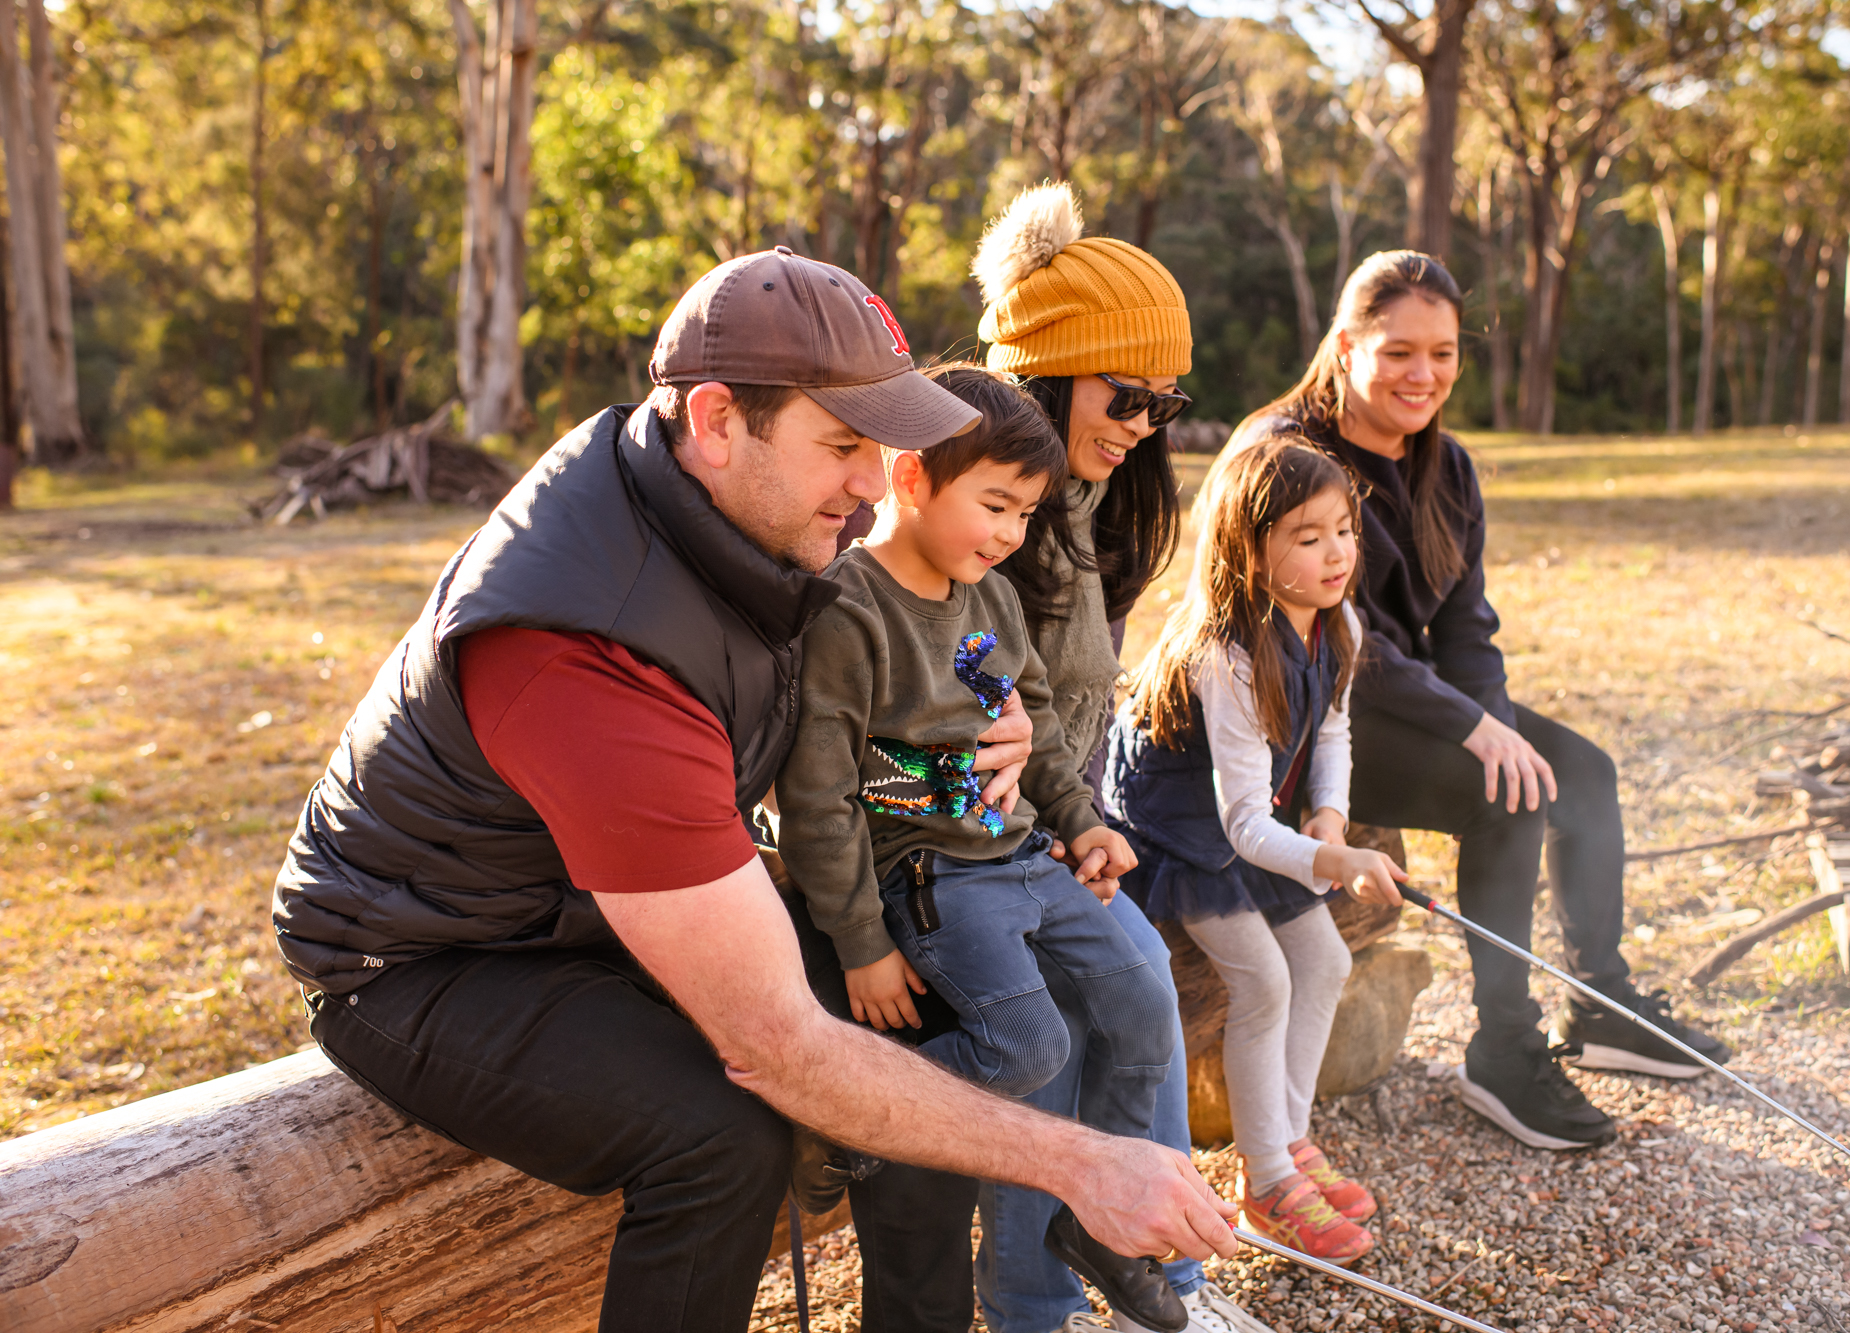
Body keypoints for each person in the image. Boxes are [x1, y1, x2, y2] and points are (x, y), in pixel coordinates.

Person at [270, 247, 1237, 1333]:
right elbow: (773, 1041)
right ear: (719, 419)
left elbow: (839, 741)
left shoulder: (736, 503)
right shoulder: (583, 652)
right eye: (843, 444)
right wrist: (1083, 1163)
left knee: (919, 1038)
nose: (871, 484)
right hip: (436, 948)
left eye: (879, 448)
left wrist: (983, 737)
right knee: (721, 1138)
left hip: (599, 889)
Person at [1224, 250, 1729, 1153]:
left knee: (1579, 772)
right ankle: (1503, 1048)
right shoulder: (1285, 453)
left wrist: (1494, 721)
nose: (1423, 374)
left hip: (1401, 702)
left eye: (1443, 353)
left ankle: (1602, 1003)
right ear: (1346, 345)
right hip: (1299, 718)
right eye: (1398, 352)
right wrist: (1472, 729)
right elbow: (1349, 639)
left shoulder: (1447, 466)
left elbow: (1465, 629)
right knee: (1504, 796)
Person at [778, 364, 1186, 1331]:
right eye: (995, 504)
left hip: (1028, 857)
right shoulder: (849, 611)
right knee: (1030, 1045)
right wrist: (862, 942)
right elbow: (822, 798)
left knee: (1144, 1001)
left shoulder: (991, 600)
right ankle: (856, 1127)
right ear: (911, 478)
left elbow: (1030, 726)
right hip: (935, 879)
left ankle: (1100, 1222)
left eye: (1025, 512)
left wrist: (1081, 820)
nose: (1009, 532)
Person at [968, 183, 1272, 1333]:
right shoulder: (983, 512)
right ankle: (1041, 1305)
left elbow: (1076, 714)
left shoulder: (1091, 502)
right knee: (1065, 1021)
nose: (1148, 423)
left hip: (1055, 831)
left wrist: (1084, 826)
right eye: (1126, 394)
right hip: (962, 848)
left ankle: (1159, 1276)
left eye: (1167, 400)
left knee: (1126, 989)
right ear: (1043, 373)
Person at [1105, 437, 1406, 1261]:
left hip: (1253, 817)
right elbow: (1238, 828)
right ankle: (1266, 1181)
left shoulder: (1337, 619)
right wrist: (1333, 864)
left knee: (1326, 959)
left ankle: (1287, 1142)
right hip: (1180, 834)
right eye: (1309, 537)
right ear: (1250, 552)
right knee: (1264, 979)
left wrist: (1331, 821)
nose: (1337, 553)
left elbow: (1333, 731)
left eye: (1344, 529)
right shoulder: (1229, 657)